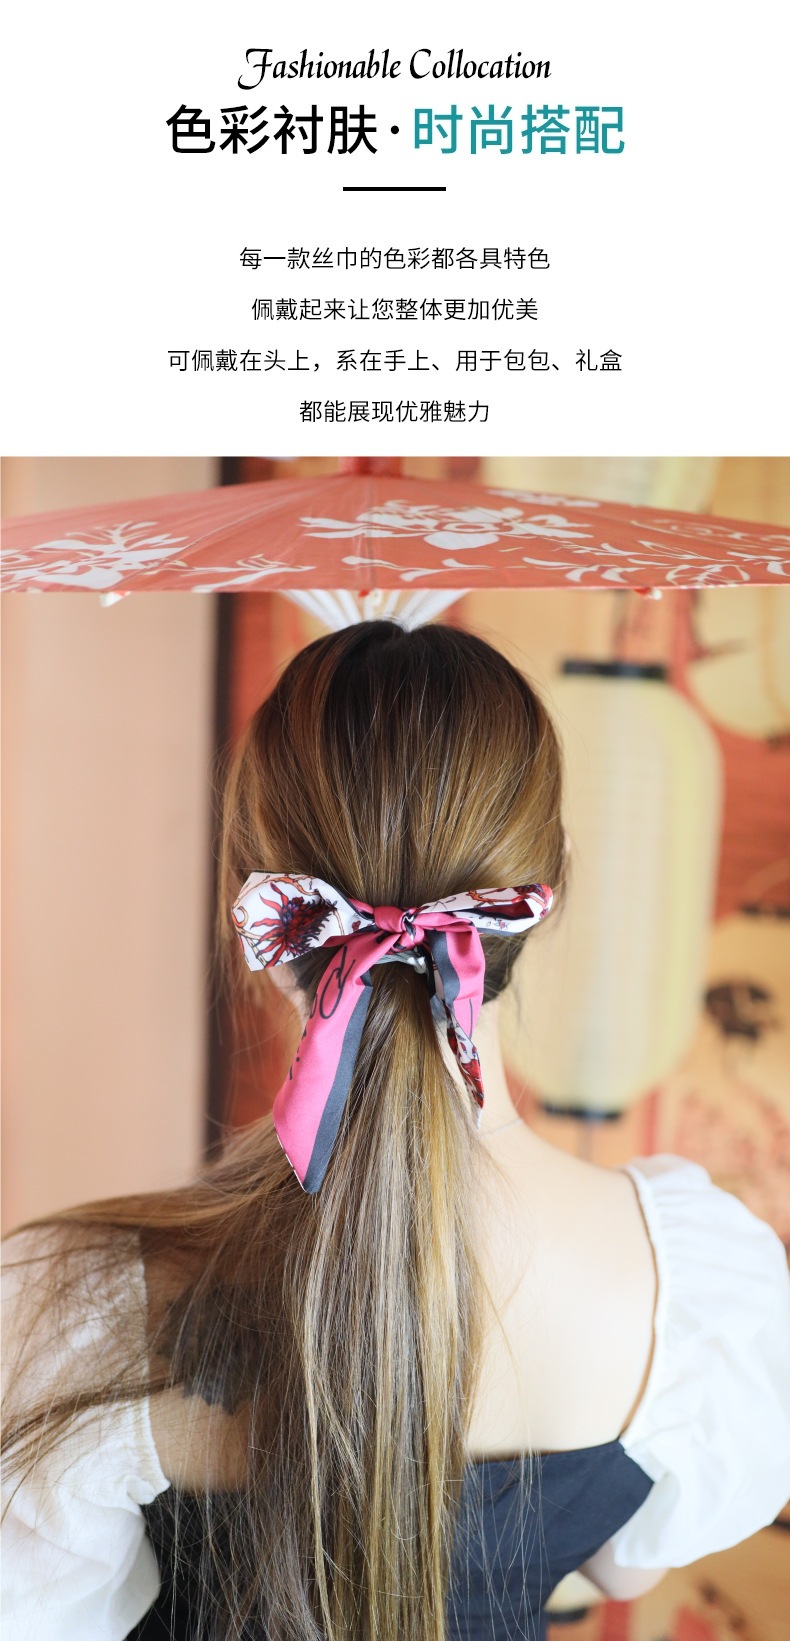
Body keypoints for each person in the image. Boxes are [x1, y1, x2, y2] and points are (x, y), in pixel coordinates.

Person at [2, 620, 789, 1641]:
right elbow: (623, 1559)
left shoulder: (78, 1303)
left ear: (260, 907)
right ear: (540, 893)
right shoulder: (694, 1290)